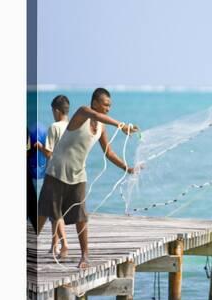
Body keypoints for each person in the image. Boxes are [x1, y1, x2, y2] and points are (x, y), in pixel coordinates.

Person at [38, 87, 139, 269]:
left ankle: (85, 256)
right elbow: (98, 116)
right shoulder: (82, 112)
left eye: (110, 106)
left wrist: (128, 168)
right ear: (94, 103)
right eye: (105, 104)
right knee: (44, 213)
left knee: (81, 216)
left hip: (78, 175)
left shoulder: (101, 127)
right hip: (56, 172)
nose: (108, 108)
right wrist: (121, 125)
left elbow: (108, 152)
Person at [35, 95, 71, 257]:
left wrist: (40, 146)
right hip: (70, 173)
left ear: (56, 111)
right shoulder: (73, 127)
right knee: (53, 210)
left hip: (54, 174)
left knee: (53, 211)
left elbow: (49, 153)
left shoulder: (54, 127)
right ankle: (54, 245)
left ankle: (64, 244)